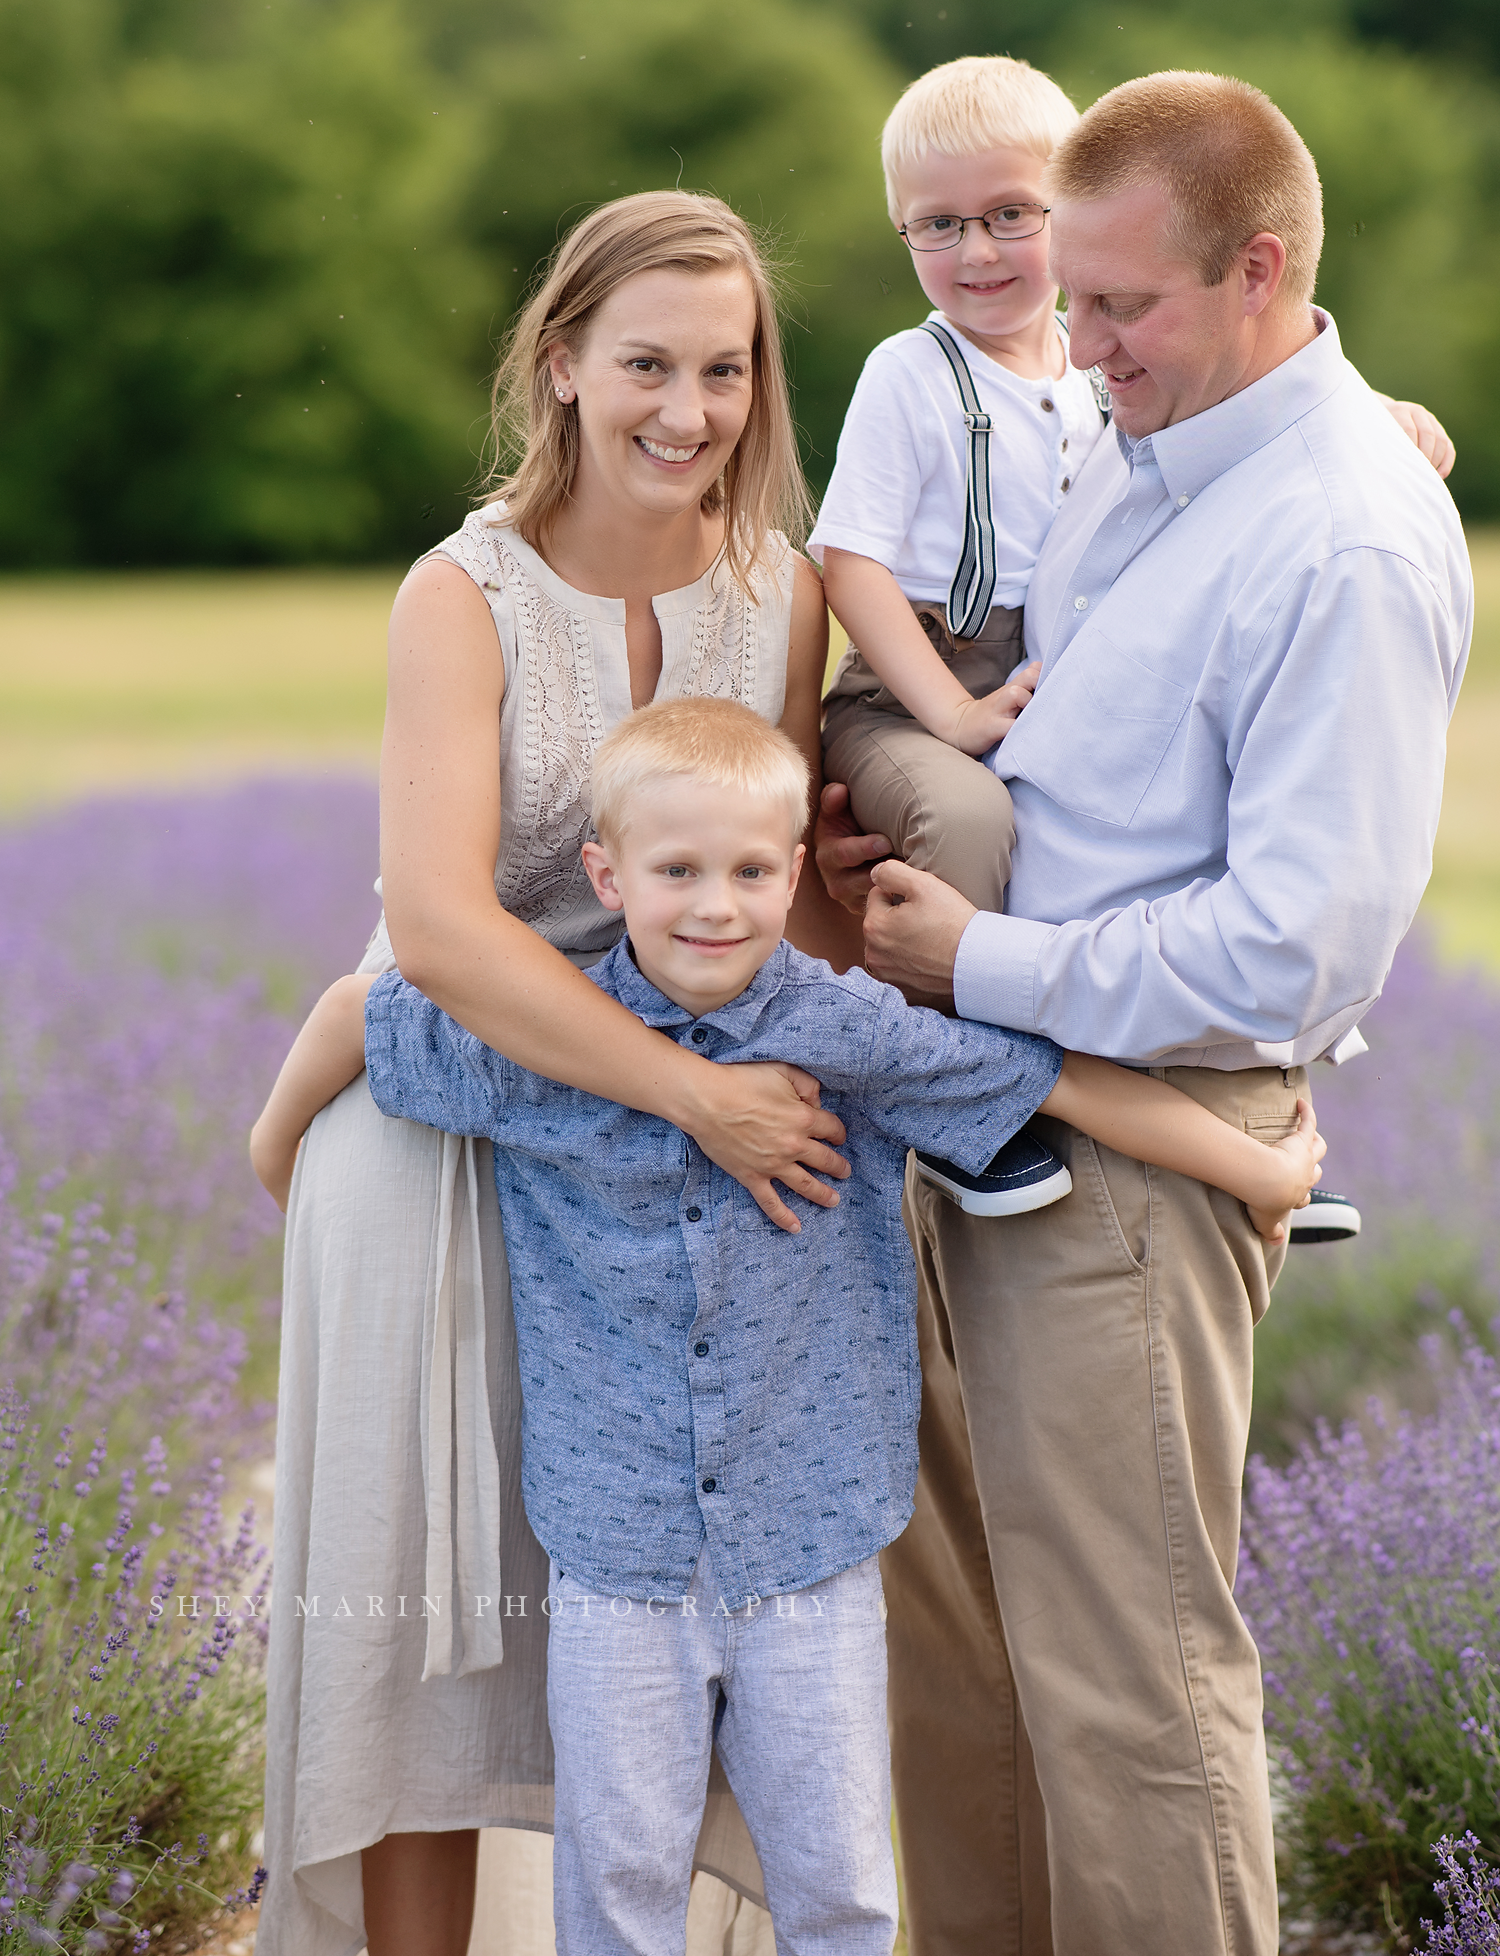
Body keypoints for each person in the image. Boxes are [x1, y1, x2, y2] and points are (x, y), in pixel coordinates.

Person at [253, 695, 1331, 1956]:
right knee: (618, 1892)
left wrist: (1253, 1170)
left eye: (752, 872)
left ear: (792, 875)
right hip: (615, 1560)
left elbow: (1050, 1083)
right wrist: (276, 1166)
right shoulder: (537, 1038)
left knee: (837, 1893)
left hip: (811, 1549)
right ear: (608, 874)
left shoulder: (844, 1029)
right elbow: (351, 1013)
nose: (716, 905)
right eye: (678, 872)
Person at [817, 70, 1474, 1956]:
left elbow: (1295, 949)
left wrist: (980, 963)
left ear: (1261, 270)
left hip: (1128, 1164)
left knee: (1132, 1697)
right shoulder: (1149, 441)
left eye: (1121, 308)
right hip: (975, 1108)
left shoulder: (1340, 542)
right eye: (1068, 297)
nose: (1072, 344)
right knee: (960, 1677)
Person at [255, 190, 860, 1956]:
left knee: (647, 1616)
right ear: (563, 364)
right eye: (649, 366)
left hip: (666, 1171)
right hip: (439, 1130)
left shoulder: (786, 596)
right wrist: (691, 1096)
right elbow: (439, 930)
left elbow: (795, 912)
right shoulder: (462, 596)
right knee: (423, 1618)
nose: (688, 411)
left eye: (727, 371)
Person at [811, 54, 1455, 925]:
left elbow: (1267, 373)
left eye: (1010, 215)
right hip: (921, 681)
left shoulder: (1330, 528)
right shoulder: (918, 373)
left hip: (1022, 724)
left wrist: (1362, 406)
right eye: (937, 225)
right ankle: (938, 1053)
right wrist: (952, 717)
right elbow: (848, 562)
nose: (978, 251)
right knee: (964, 822)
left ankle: (966, 1029)